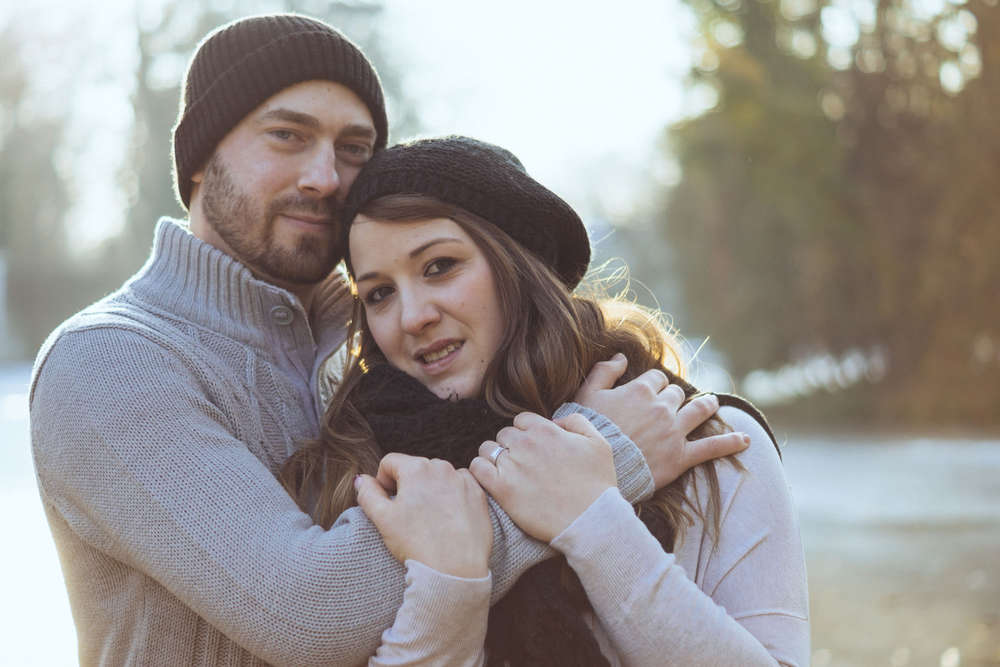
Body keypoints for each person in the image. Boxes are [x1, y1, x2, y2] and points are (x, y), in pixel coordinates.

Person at [28, 14, 749, 666]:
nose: (325, 177)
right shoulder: (110, 362)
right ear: (197, 160)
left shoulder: (376, 342)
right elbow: (314, 613)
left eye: (353, 148)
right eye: (287, 136)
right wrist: (589, 463)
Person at [284, 136, 810, 665]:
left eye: (440, 266)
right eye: (379, 293)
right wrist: (451, 583)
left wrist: (594, 522)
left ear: (518, 262)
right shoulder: (360, 478)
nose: (412, 316)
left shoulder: (704, 440)